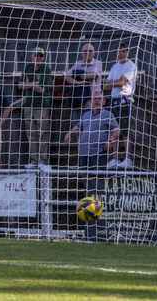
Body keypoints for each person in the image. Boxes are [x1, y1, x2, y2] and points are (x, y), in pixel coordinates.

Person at [64, 91, 119, 242]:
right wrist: (70, 133)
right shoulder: (86, 114)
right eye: (94, 98)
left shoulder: (108, 114)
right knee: (88, 190)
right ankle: (89, 228)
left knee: (97, 190)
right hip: (83, 157)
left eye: (99, 98)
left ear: (104, 101)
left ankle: (98, 230)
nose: (96, 100)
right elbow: (78, 127)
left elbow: (116, 130)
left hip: (98, 156)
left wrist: (110, 140)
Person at [103, 43, 137, 167]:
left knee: (126, 131)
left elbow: (122, 82)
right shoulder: (114, 67)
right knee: (114, 131)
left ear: (127, 52)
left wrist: (115, 82)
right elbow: (106, 85)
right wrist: (116, 82)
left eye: (124, 51)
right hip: (114, 100)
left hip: (125, 100)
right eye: (119, 51)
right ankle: (115, 159)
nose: (121, 53)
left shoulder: (131, 66)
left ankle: (128, 159)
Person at [19, 47, 53, 166]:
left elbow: (42, 89)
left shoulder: (46, 69)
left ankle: (43, 160)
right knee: (31, 134)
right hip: (28, 105)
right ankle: (33, 160)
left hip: (42, 105)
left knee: (43, 133)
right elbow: (20, 85)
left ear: (43, 58)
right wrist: (33, 84)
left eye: (40, 55)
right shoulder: (27, 68)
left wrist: (28, 84)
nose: (37, 57)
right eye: (35, 55)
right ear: (31, 56)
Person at [65, 43, 103, 111]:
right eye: (85, 51)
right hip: (77, 97)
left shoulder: (98, 63)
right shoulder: (77, 63)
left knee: (89, 119)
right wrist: (77, 82)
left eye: (90, 51)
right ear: (82, 53)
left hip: (92, 98)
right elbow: (67, 76)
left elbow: (93, 75)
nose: (88, 53)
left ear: (94, 53)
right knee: (76, 120)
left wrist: (78, 75)